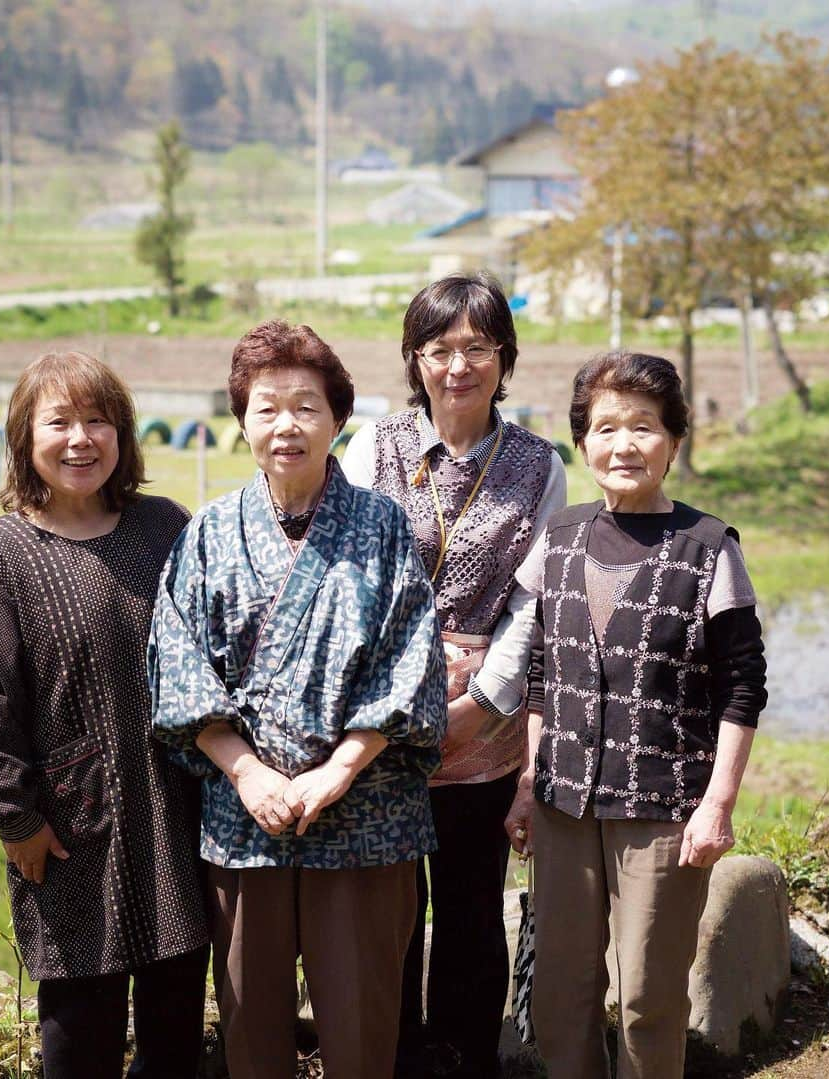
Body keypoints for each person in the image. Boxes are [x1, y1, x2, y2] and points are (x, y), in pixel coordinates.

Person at [148, 319, 447, 1079]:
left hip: (365, 814)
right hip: (246, 819)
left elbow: (410, 661)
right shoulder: (211, 531)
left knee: (362, 1028)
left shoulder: (381, 527)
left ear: (338, 420)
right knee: (251, 1030)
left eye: (307, 407)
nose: (287, 425)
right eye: (267, 407)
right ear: (241, 420)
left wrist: (336, 770)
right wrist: (248, 771)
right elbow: (177, 663)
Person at [506, 350, 768, 1078]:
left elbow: (743, 686)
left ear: (674, 441)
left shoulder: (709, 548)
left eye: (645, 427)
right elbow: (540, 671)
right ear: (583, 440)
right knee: (561, 989)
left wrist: (717, 804)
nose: (624, 444)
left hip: (662, 810)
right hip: (561, 805)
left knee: (650, 996)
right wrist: (528, 782)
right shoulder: (556, 539)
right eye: (605, 426)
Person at [0, 351, 209, 1079]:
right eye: (58, 421)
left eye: (99, 420)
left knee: (175, 1031)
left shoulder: (163, 529)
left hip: (173, 818)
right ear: (24, 437)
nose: (81, 439)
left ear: (122, 435)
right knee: (79, 1040)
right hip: (69, 836)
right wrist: (16, 819)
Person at [342, 272, 567, 1078]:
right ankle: (395, 1053)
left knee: (473, 905)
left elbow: (534, 601)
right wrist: (403, 681)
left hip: (485, 725)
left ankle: (468, 1054)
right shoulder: (373, 446)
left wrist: (483, 701)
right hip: (384, 718)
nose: (459, 365)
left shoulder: (541, 466)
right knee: (390, 905)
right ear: (414, 358)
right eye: (440, 349)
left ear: (504, 358)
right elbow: (350, 572)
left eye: (478, 347)